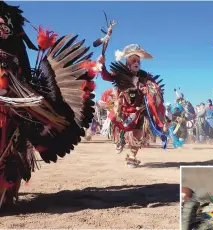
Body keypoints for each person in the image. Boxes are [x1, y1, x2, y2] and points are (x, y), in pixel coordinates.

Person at [0, 1, 98, 209]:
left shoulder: (10, 16)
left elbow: (20, 53)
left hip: (12, 88)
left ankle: (6, 188)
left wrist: (26, 83)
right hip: (13, 88)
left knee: (11, 134)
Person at [97, 44, 167, 167]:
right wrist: (102, 65)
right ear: (127, 61)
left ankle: (132, 156)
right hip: (122, 108)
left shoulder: (143, 75)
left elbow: (154, 86)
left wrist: (149, 89)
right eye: (133, 60)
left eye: (138, 61)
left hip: (139, 109)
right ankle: (119, 140)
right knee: (118, 128)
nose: (137, 63)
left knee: (138, 133)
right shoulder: (119, 72)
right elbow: (106, 77)